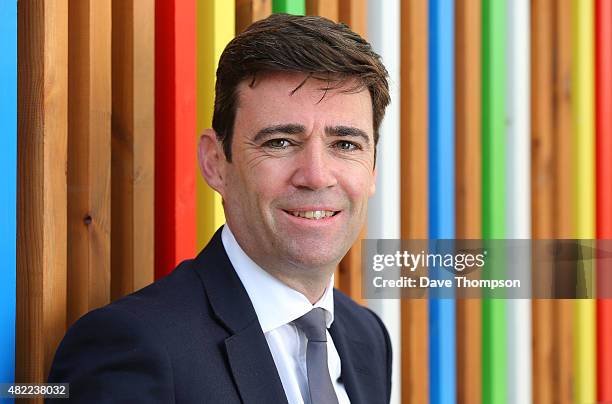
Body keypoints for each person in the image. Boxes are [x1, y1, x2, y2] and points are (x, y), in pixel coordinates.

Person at [48, 13, 392, 404]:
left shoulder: (366, 337)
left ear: (373, 168)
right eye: (279, 142)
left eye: (346, 145)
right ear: (215, 163)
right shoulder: (130, 346)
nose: (316, 176)